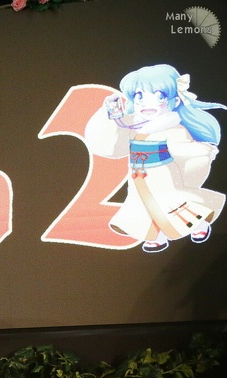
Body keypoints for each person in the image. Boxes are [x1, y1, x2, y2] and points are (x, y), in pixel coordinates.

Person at [85, 63, 224, 253]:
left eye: (159, 96)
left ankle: (199, 225)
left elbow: (181, 147)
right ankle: (156, 237)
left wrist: (203, 150)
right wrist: (110, 116)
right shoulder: (133, 125)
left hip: (163, 174)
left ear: (175, 101)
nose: (147, 104)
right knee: (142, 205)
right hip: (137, 175)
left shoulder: (172, 126)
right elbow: (113, 146)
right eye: (139, 96)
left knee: (171, 203)